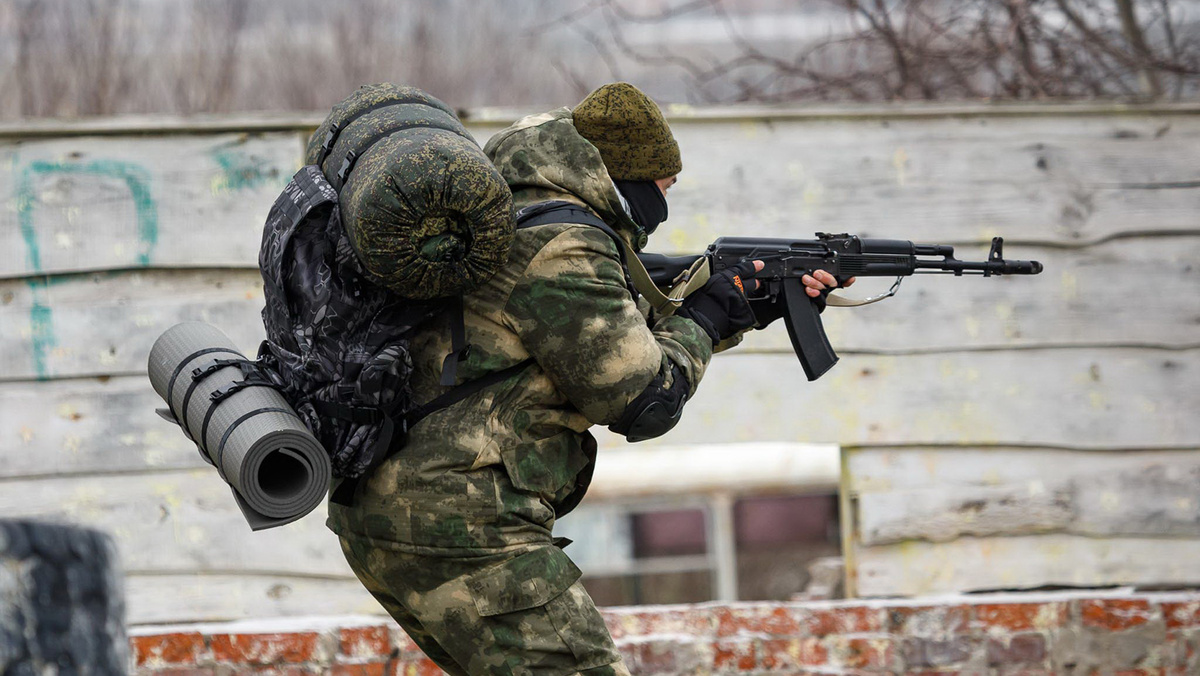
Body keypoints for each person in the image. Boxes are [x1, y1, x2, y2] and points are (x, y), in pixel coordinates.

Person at [328, 82, 844, 676]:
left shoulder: (523, 217)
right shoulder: (562, 247)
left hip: (399, 512)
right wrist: (710, 316)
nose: (667, 199)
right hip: (461, 520)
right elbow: (645, 401)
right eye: (665, 185)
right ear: (627, 176)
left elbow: (590, 332)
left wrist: (740, 309)